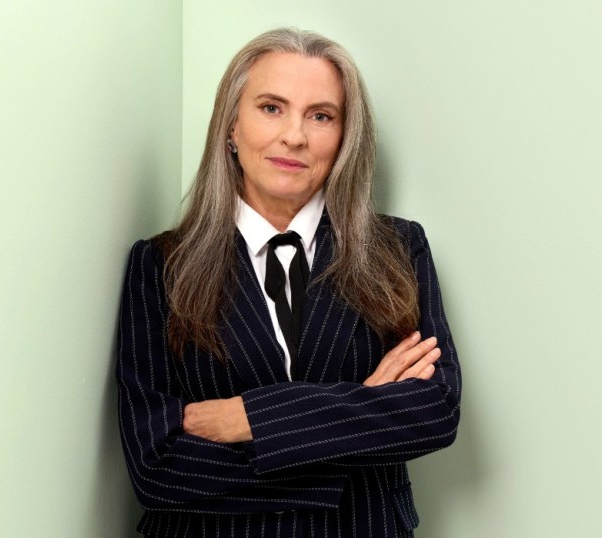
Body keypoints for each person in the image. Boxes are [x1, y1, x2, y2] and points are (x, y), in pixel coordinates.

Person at [116, 28, 461, 537]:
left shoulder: (397, 248)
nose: (294, 136)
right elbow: (157, 467)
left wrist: (250, 418)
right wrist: (363, 406)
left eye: (321, 116)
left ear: (344, 137)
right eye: (272, 108)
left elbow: (434, 410)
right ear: (232, 126)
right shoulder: (160, 265)